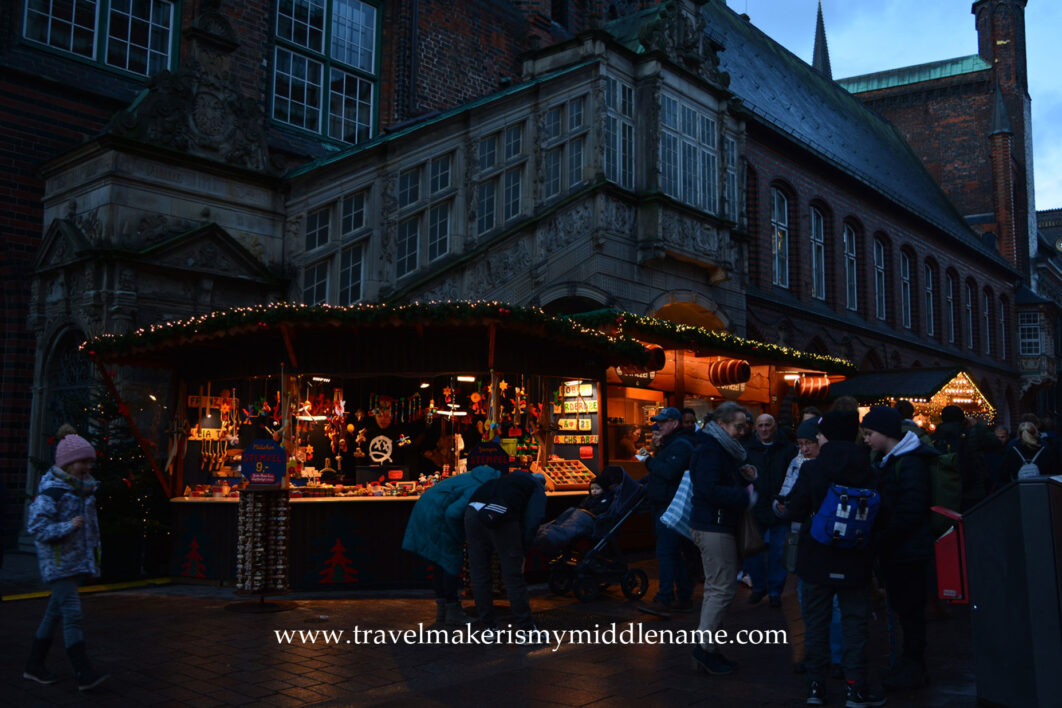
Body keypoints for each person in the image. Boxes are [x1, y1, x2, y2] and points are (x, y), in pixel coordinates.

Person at [783, 411, 885, 707]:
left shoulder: (812, 469)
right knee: (855, 624)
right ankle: (855, 688)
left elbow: (796, 511)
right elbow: (881, 516)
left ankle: (816, 687)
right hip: (856, 560)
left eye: (820, 434)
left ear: (828, 435)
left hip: (816, 559)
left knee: (816, 624)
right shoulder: (870, 469)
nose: (817, 438)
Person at [24, 425, 109, 691]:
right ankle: (83, 672)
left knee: (54, 615)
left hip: (75, 562)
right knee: (72, 614)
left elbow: (91, 531)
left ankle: (34, 665)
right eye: (83, 461)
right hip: (59, 564)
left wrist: (93, 556)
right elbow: (36, 527)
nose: (87, 467)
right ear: (69, 463)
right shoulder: (54, 492)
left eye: (90, 461)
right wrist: (67, 527)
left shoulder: (84, 491)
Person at [862, 405, 937, 693]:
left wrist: (882, 536)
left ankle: (913, 667)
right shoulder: (889, 459)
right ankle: (909, 665)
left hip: (908, 551)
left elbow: (910, 510)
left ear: (886, 433)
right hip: (900, 549)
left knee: (911, 612)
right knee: (906, 610)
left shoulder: (908, 462)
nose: (866, 439)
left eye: (869, 433)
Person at [688, 401, 757, 676]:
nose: (742, 432)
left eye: (744, 427)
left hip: (716, 524)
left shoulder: (721, 449)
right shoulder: (710, 449)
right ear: (722, 424)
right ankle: (705, 650)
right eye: (738, 426)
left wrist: (745, 478)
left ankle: (708, 649)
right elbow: (708, 489)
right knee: (722, 588)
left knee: (720, 587)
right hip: (713, 525)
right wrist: (745, 496)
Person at [402, 464, 500, 626]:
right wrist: (459, 538)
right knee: (450, 563)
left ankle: (443, 611)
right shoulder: (480, 487)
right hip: (437, 517)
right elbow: (453, 513)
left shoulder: (472, 478)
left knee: (440, 563)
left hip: (426, 511)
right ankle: (452, 611)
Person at [464, 470, 547, 635]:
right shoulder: (535, 487)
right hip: (502, 519)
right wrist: (523, 551)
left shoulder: (501, 480)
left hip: (472, 513)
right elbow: (533, 520)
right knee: (513, 576)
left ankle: (488, 627)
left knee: (479, 573)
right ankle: (526, 629)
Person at [639, 407, 699, 617]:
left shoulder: (680, 445)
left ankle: (665, 598)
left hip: (670, 505)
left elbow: (668, 472)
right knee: (673, 552)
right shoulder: (672, 444)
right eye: (658, 422)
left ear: (675, 423)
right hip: (665, 503)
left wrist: (648, 460)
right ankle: (684, 596)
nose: (659, 425)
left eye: (663, 422)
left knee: (665, 552)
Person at [743, 413, 797, 607]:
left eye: (768, 425)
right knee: (751, 550)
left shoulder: (788, 449)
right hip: (756, 506)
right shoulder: (748, 450)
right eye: (761, 425)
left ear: (774, 427)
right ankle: (759, 586)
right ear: (756, 428)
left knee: (778, 552)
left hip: (779, 506)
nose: (764, 429)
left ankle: (775, 591)